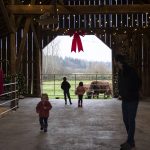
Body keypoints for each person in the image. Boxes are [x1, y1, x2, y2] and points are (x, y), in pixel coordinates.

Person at [114, 54, 141, 150]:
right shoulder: (120, 72)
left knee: (131, 120)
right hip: (125, 99)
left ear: (118, 61)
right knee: (126, 120)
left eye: (115, 61)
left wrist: (130, 93)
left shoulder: (130, 70)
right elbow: (122, 85)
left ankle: (129, 142)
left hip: (132, 99)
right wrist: (121, 93)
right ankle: (131, 141)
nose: (114, 62)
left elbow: (138, 82)